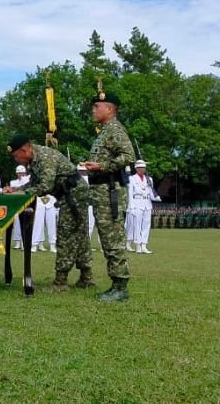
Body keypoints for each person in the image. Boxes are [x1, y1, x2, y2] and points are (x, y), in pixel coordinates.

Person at [4, 134, 93, 293]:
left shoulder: (45, 157)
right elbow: (34, 183)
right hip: (70, 194)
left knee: (66, 236)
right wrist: (16, 190)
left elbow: (46, 185)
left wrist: (22, 194)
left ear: (25, 150)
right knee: (80, 234)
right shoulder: (35, 159)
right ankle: (87, 278)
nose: (16, 160)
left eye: (16, 156)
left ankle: (61, 282)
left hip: (74, 195)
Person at [83, 82, 135, 302]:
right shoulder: (105, 131)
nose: (93, 110)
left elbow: (129, 156)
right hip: (101, 191)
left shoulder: (114, 129)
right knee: (107, 238)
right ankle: (116, 284)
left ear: (110, 109)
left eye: (97, 106)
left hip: (110, 192)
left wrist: (101, 166)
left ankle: (120, 287)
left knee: (113, 238)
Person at [126, 160, 161, 254]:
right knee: (137, 225)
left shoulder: (149, 179)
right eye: (140, 168)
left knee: (146, 225)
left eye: (144, 168)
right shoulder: (132, 178)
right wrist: (131, 207)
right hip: (137, 202)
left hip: (147, 203)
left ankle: (144, 245)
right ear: (136, 169)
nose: (142, 169)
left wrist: (156, 197)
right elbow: (130, 193)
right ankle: (138, 245)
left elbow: (150, 192)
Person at [8, 165, 30, 250]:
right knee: (17, 223)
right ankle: (17, 242)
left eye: (22, 173)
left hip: (26, 203)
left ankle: (24, 242)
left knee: (25, 223)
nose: (21, 174)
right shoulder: (13, 182)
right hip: (16, 204)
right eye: (19, 173)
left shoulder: (28, 180)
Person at [78, 164, 96, 240]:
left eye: (84, 171)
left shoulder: (91, 179)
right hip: (79, 205)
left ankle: (88, 240)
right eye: (81, 171)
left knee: (90, 225)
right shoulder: (75, 180)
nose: (83, 173)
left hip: (90, 205)